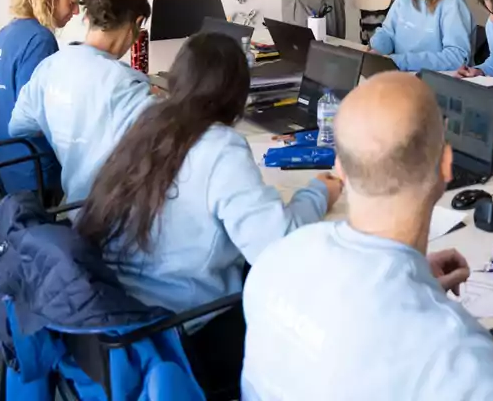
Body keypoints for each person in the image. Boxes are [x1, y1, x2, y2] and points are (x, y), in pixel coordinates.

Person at [77, 32, 342, 394]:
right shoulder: (220, 147)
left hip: (117, 319)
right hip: (183, 332)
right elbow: (276, 248)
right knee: (306, 310)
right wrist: (319, 192)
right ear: (237, 92)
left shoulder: (148, 123)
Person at [241, 73, 493, 400]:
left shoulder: (275, 259)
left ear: (339, 168)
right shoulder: (455, 357)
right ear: (446, 165)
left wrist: (412, 281)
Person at [9, 0, 153, 204]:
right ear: (136, 24)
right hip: (122, 217)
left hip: (78, 209)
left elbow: (19, 126)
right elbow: (171, 147)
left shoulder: (49, 66)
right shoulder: (126, 84)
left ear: (87, 17)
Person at [0, 0, 88, 195]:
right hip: (34, 173)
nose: (75, 11)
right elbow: (38, 118)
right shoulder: (40, 39)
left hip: (4, 164)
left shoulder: (7, 32)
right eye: (71, 2)